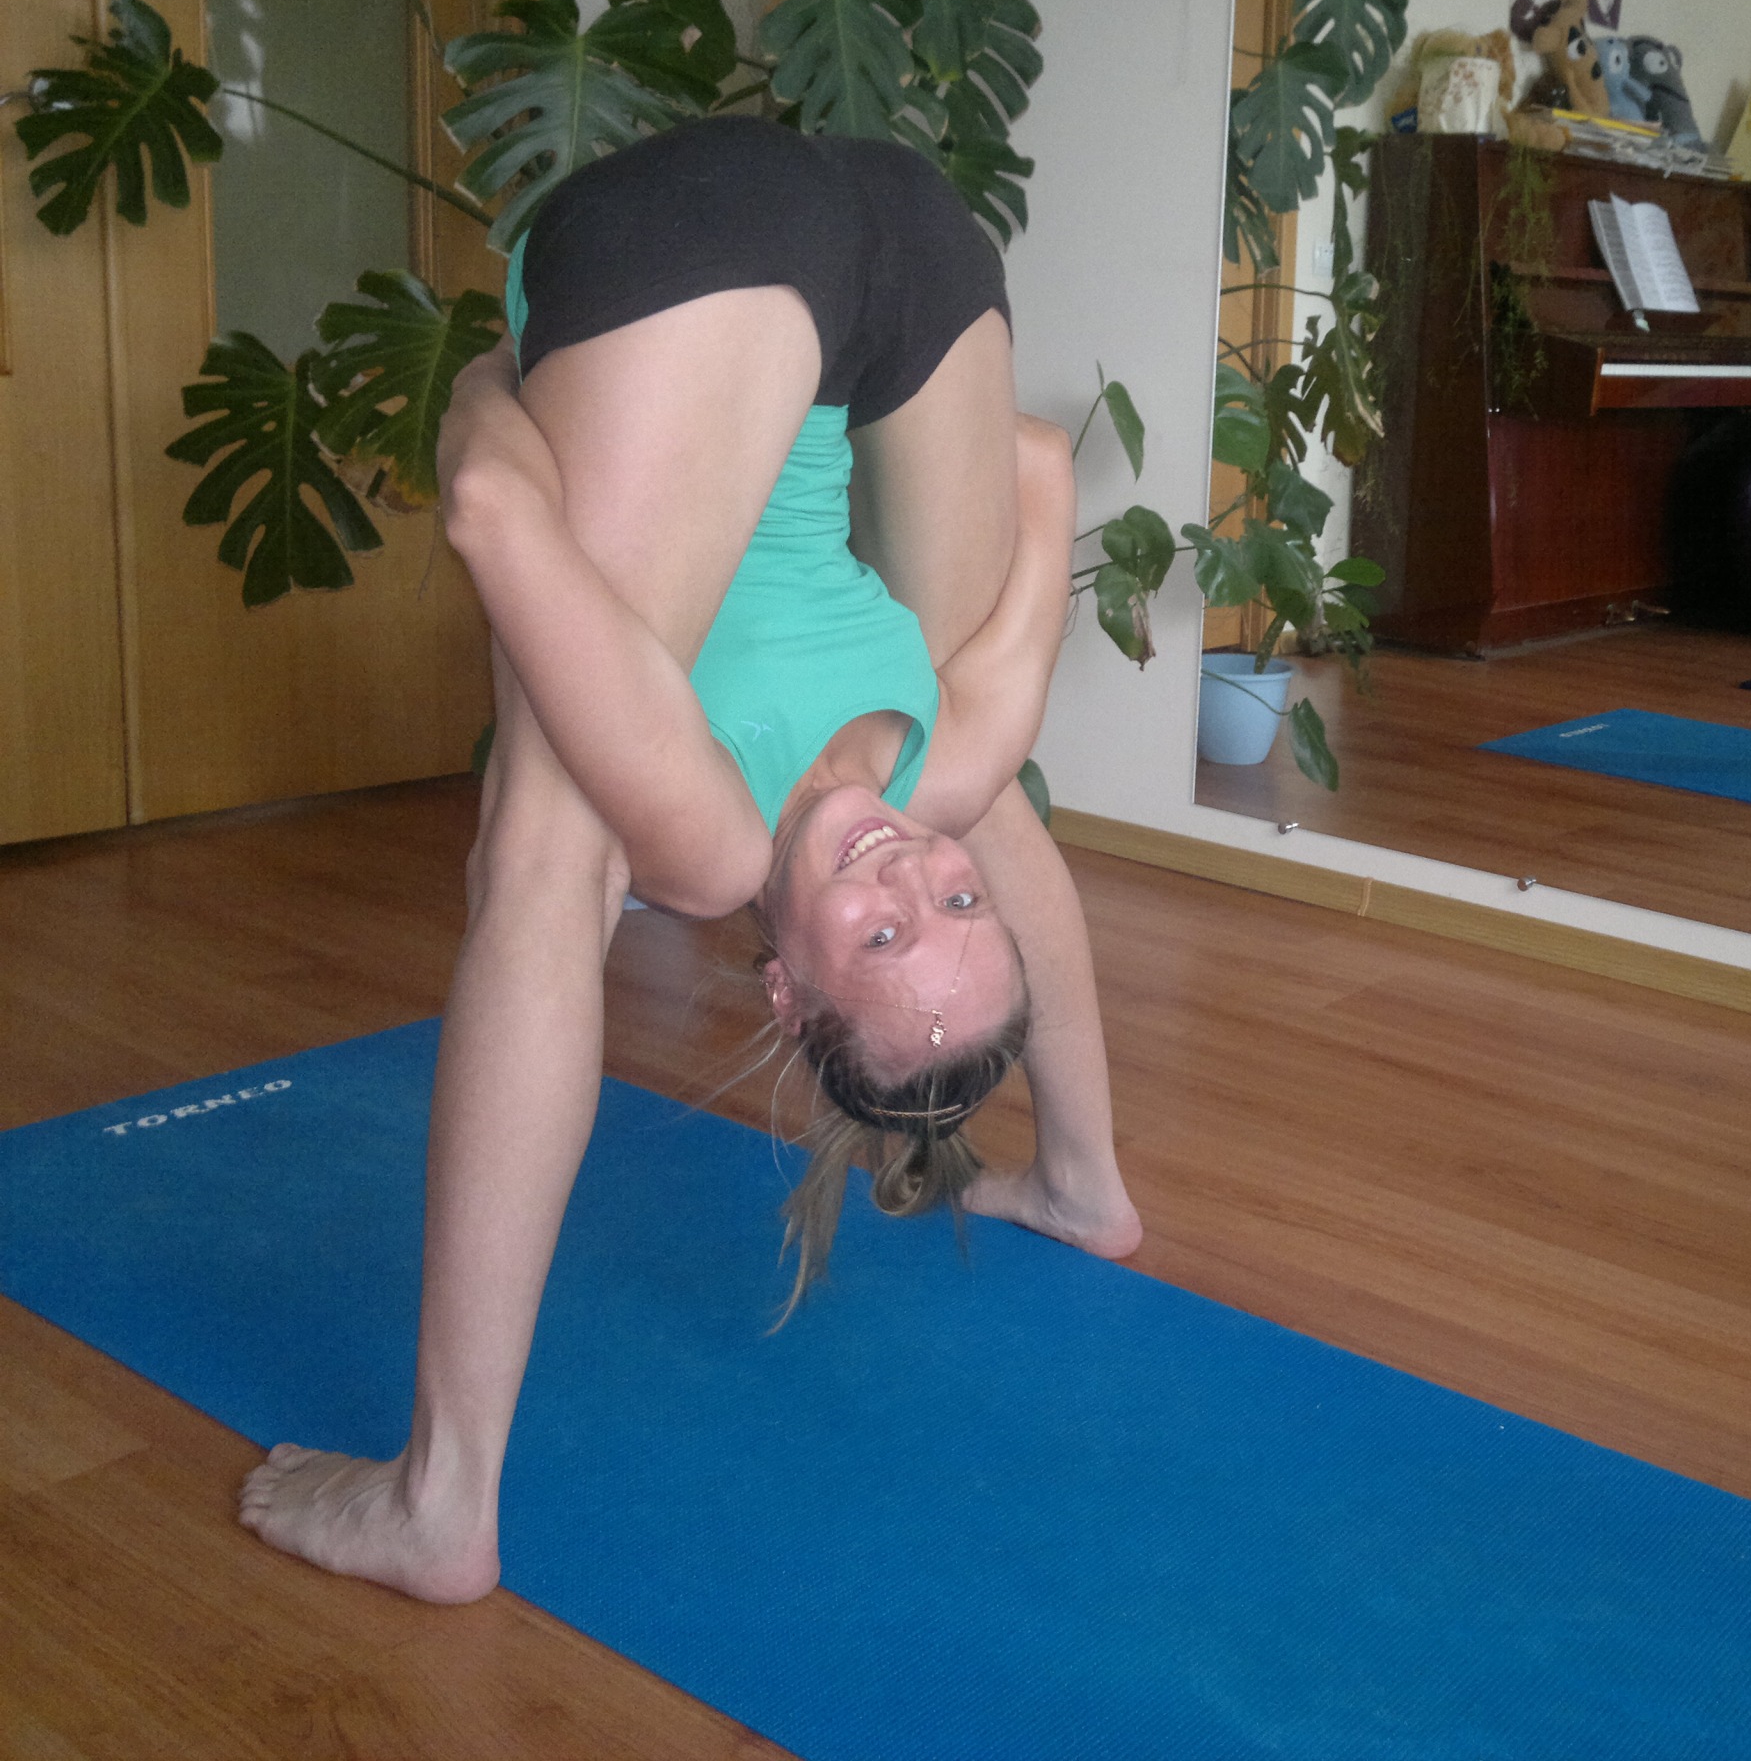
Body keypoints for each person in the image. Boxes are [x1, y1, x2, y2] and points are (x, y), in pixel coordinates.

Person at [235, 116, 1141, 1604]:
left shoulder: (725, 837)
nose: (909, 871)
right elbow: (490, 501)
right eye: (956, 899)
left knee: (584, 831)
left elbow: (1030, 467)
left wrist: (572, 399)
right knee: (546, 856)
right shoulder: (951, 768)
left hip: (891, 242)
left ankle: (1089, 1186)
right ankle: (440, 1503)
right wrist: (493, 376)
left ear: (785, 990)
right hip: (763, 254)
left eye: (885, 936)